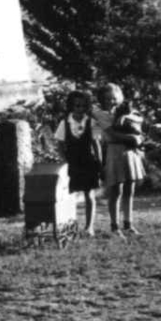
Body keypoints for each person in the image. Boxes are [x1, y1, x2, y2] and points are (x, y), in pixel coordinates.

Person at [93, 83, 146, 236]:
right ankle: (114, 226)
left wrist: (138, 138)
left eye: (114, 98)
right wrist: (132, 138)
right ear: (102, 100)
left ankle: (128, 224)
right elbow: (113, 134)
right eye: (107, 99)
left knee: (130, 189)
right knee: (116, 191)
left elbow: (139, 128)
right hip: (115, 151)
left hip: (130, 152)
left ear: (120, 98)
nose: (111, 102)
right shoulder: (102, 115)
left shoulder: (129, 113)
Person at [53, 89, 103, 236]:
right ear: (71, 106)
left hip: (88, 161)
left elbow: (96, 144)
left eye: (83, 106)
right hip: (72, 162)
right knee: (70, 195)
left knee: (89, 194)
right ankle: (69, 225)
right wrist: (64, 162)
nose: (80, 109)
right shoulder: (64, 123)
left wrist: (100, 162)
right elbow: (60, 145)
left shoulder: (92, 122)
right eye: (76, 106)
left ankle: (89, 227)